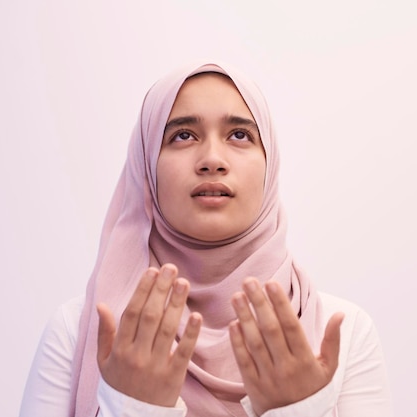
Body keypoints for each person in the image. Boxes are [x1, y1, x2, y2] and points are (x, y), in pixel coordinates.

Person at [19, 61, 393, 417]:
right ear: (146, 166)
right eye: (183, 135)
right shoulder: (84, 332)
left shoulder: (340, 332)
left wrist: (297, 411)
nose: (212, 159)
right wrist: (134, 408)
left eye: (239, 135)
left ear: (270, 163)